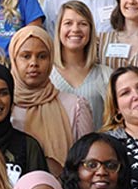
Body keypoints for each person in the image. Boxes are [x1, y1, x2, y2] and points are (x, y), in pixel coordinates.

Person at [9, 26, 93, 175]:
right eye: (26, 56)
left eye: (42, 56)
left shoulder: (76, 107)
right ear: (14, 59)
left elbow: (87, 164)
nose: (34, 63)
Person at [50, 0, 113, 131]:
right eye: (68, 23)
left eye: (83, 24)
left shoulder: (106, 75)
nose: (75, 29)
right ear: (58, 29)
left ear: (90, 30)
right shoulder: (47, 74)